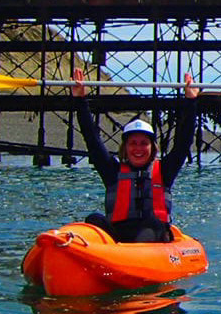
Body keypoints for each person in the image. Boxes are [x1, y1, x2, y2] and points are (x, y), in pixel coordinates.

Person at [71, 66, 199, 243]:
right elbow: (92, 138)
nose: (138, 148)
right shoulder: (112, 172)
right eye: (133, 143)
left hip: (153, 235)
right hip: (119, 238)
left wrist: (190, 102)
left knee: (152, 226)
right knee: (94, 219)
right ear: (125, 147)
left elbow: (183, 142)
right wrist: (80, 100)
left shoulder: (164, 172)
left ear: (152, 148)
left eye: (143, 143)